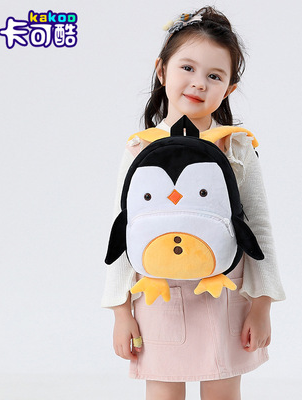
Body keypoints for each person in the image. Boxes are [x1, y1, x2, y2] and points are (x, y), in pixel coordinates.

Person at [101, 6, 286, 400]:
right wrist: (120, 312)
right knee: (164, 392)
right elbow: (124, 229)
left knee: (222, 390)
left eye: (214, 76)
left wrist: (262, 304)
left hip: (226, 297)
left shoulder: (237, 147)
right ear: (162, 70)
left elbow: (259, 228)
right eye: (187, 68)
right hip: (159, 298)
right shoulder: (139, 149)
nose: (199, 83)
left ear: (228, 89)